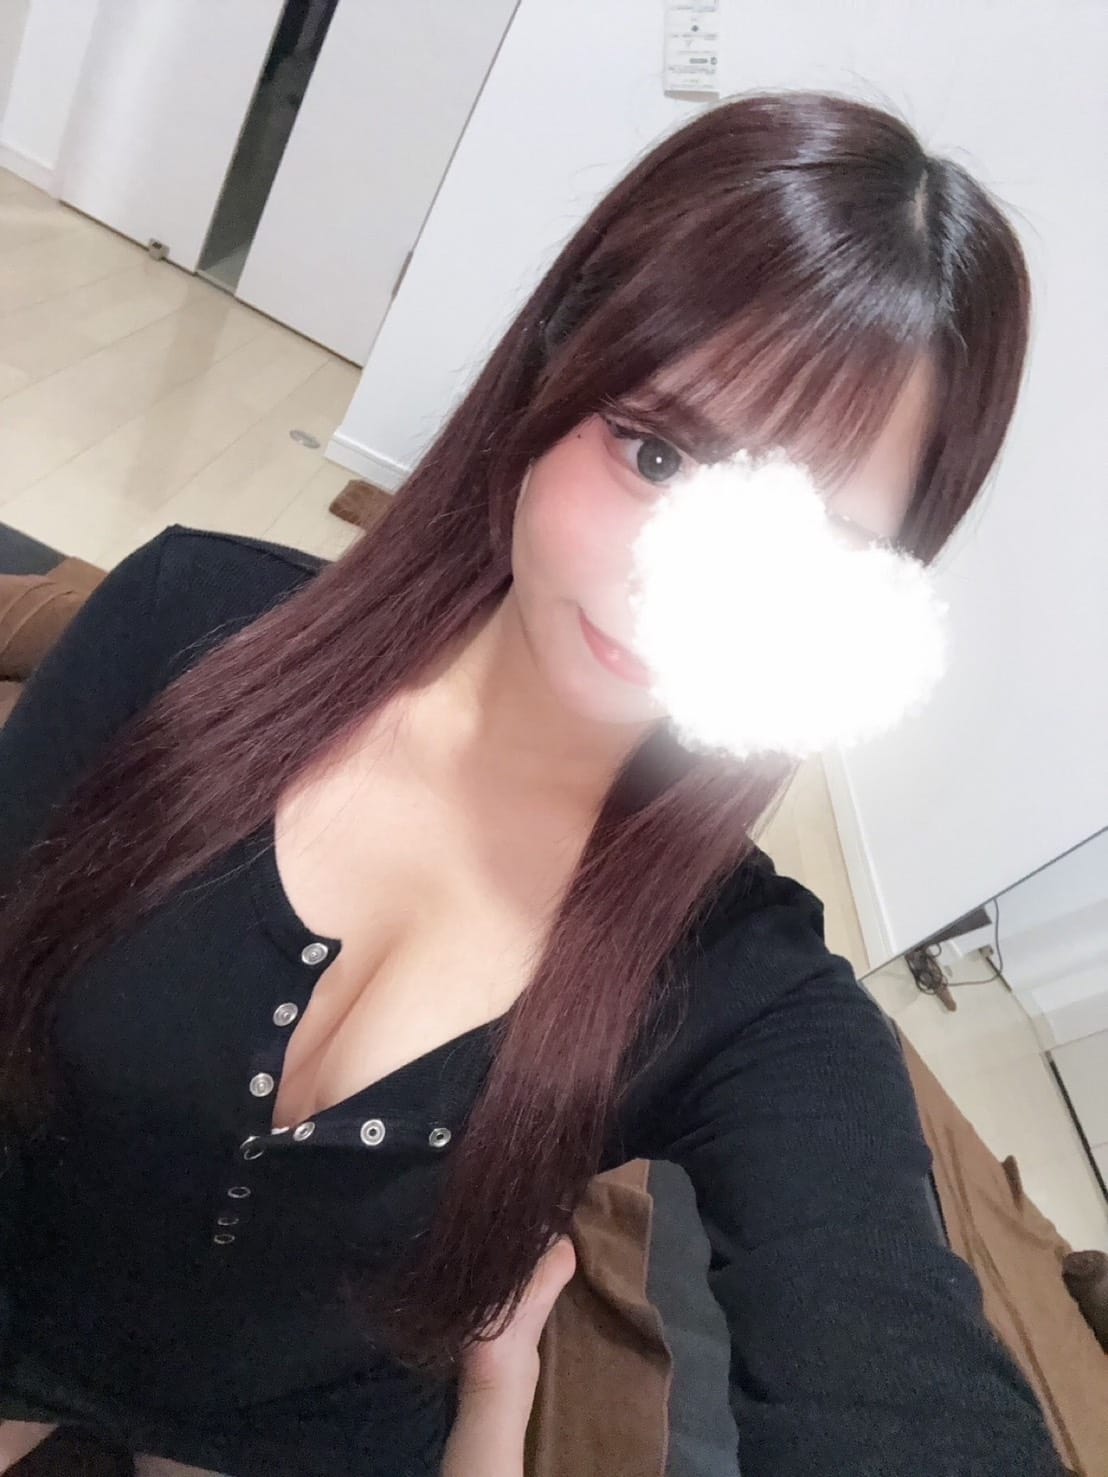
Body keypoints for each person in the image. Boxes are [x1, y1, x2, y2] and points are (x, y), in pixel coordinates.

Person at [0, 90, 1063, 1476]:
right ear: (551, 377)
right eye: (657, 452)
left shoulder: (744, 986)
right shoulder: (182, 624)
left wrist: (492, 1417)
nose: (671, 582)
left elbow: (891, 1360)